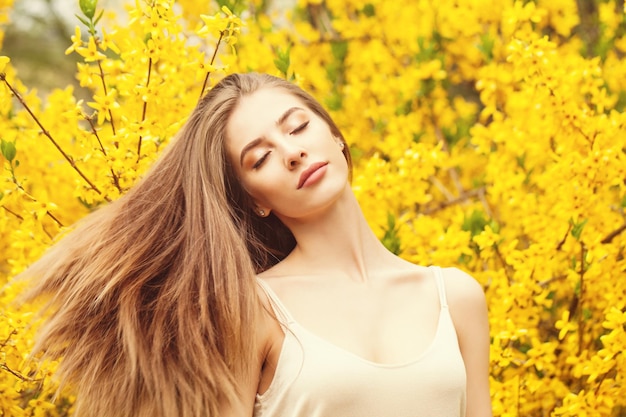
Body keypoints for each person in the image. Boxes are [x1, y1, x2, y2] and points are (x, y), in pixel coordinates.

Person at [20, 73, 492, 417]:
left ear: (336, 135)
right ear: (255, 201)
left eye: (298, 126)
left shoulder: (456, 297)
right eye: (261, 157)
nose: (292, 152)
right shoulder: (253, 311)